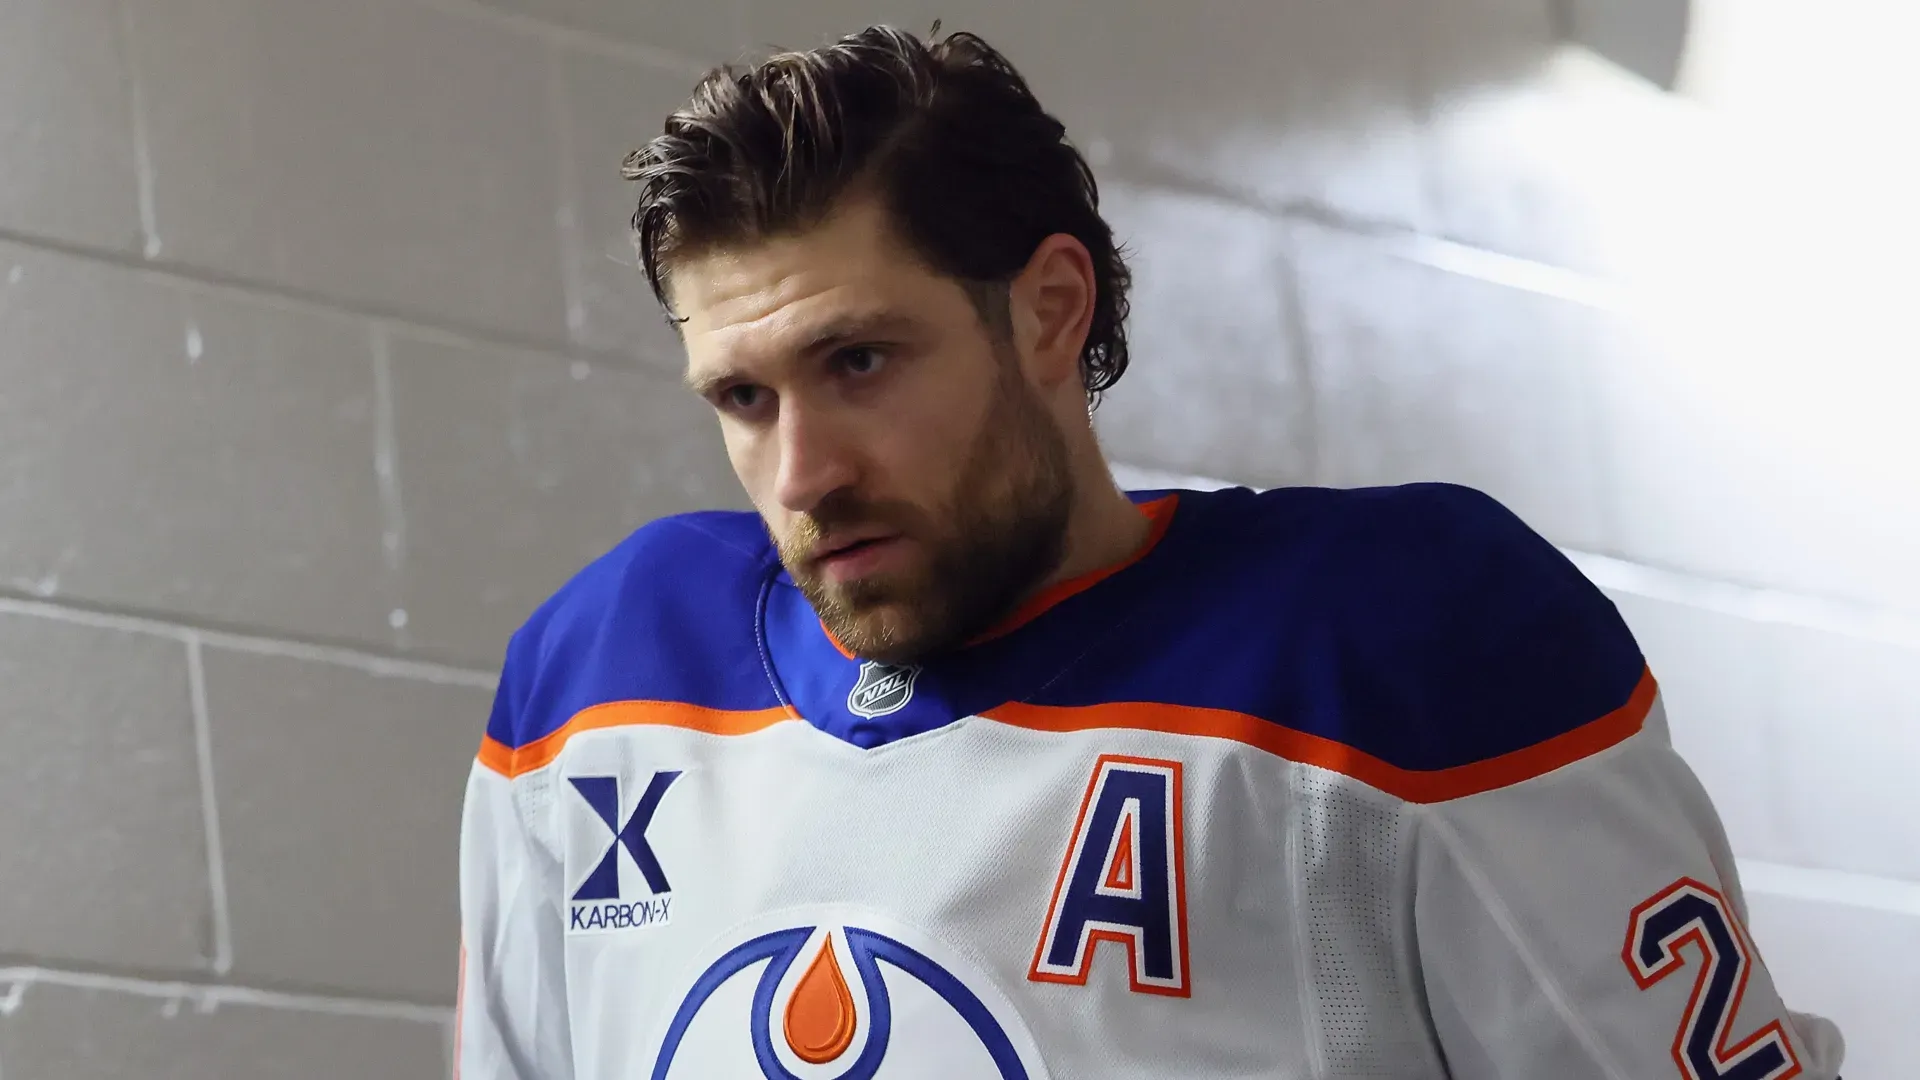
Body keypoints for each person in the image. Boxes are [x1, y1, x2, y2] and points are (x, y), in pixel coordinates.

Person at [456, 24, 1845, 1080]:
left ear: (1052, 311)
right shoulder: (597, 691)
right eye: (743, 401)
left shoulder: (1396, 649)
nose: (804, 474)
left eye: (861, 359)